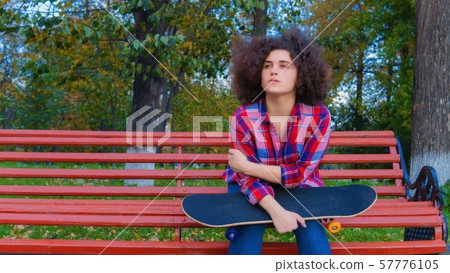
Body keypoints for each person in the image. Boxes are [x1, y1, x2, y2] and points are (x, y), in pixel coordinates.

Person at [222, 27, 333, 255]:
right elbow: (246, 176)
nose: (274, 71)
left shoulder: (319, 116)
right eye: (267, 65)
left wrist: (247, 166)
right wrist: (277, 211)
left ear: (301, 74)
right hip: (248, 183)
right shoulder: (242, 117)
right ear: (256, 73)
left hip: (300, 184)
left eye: (284, 66)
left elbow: (300, 175)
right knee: (247, 232)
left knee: (312, 236)